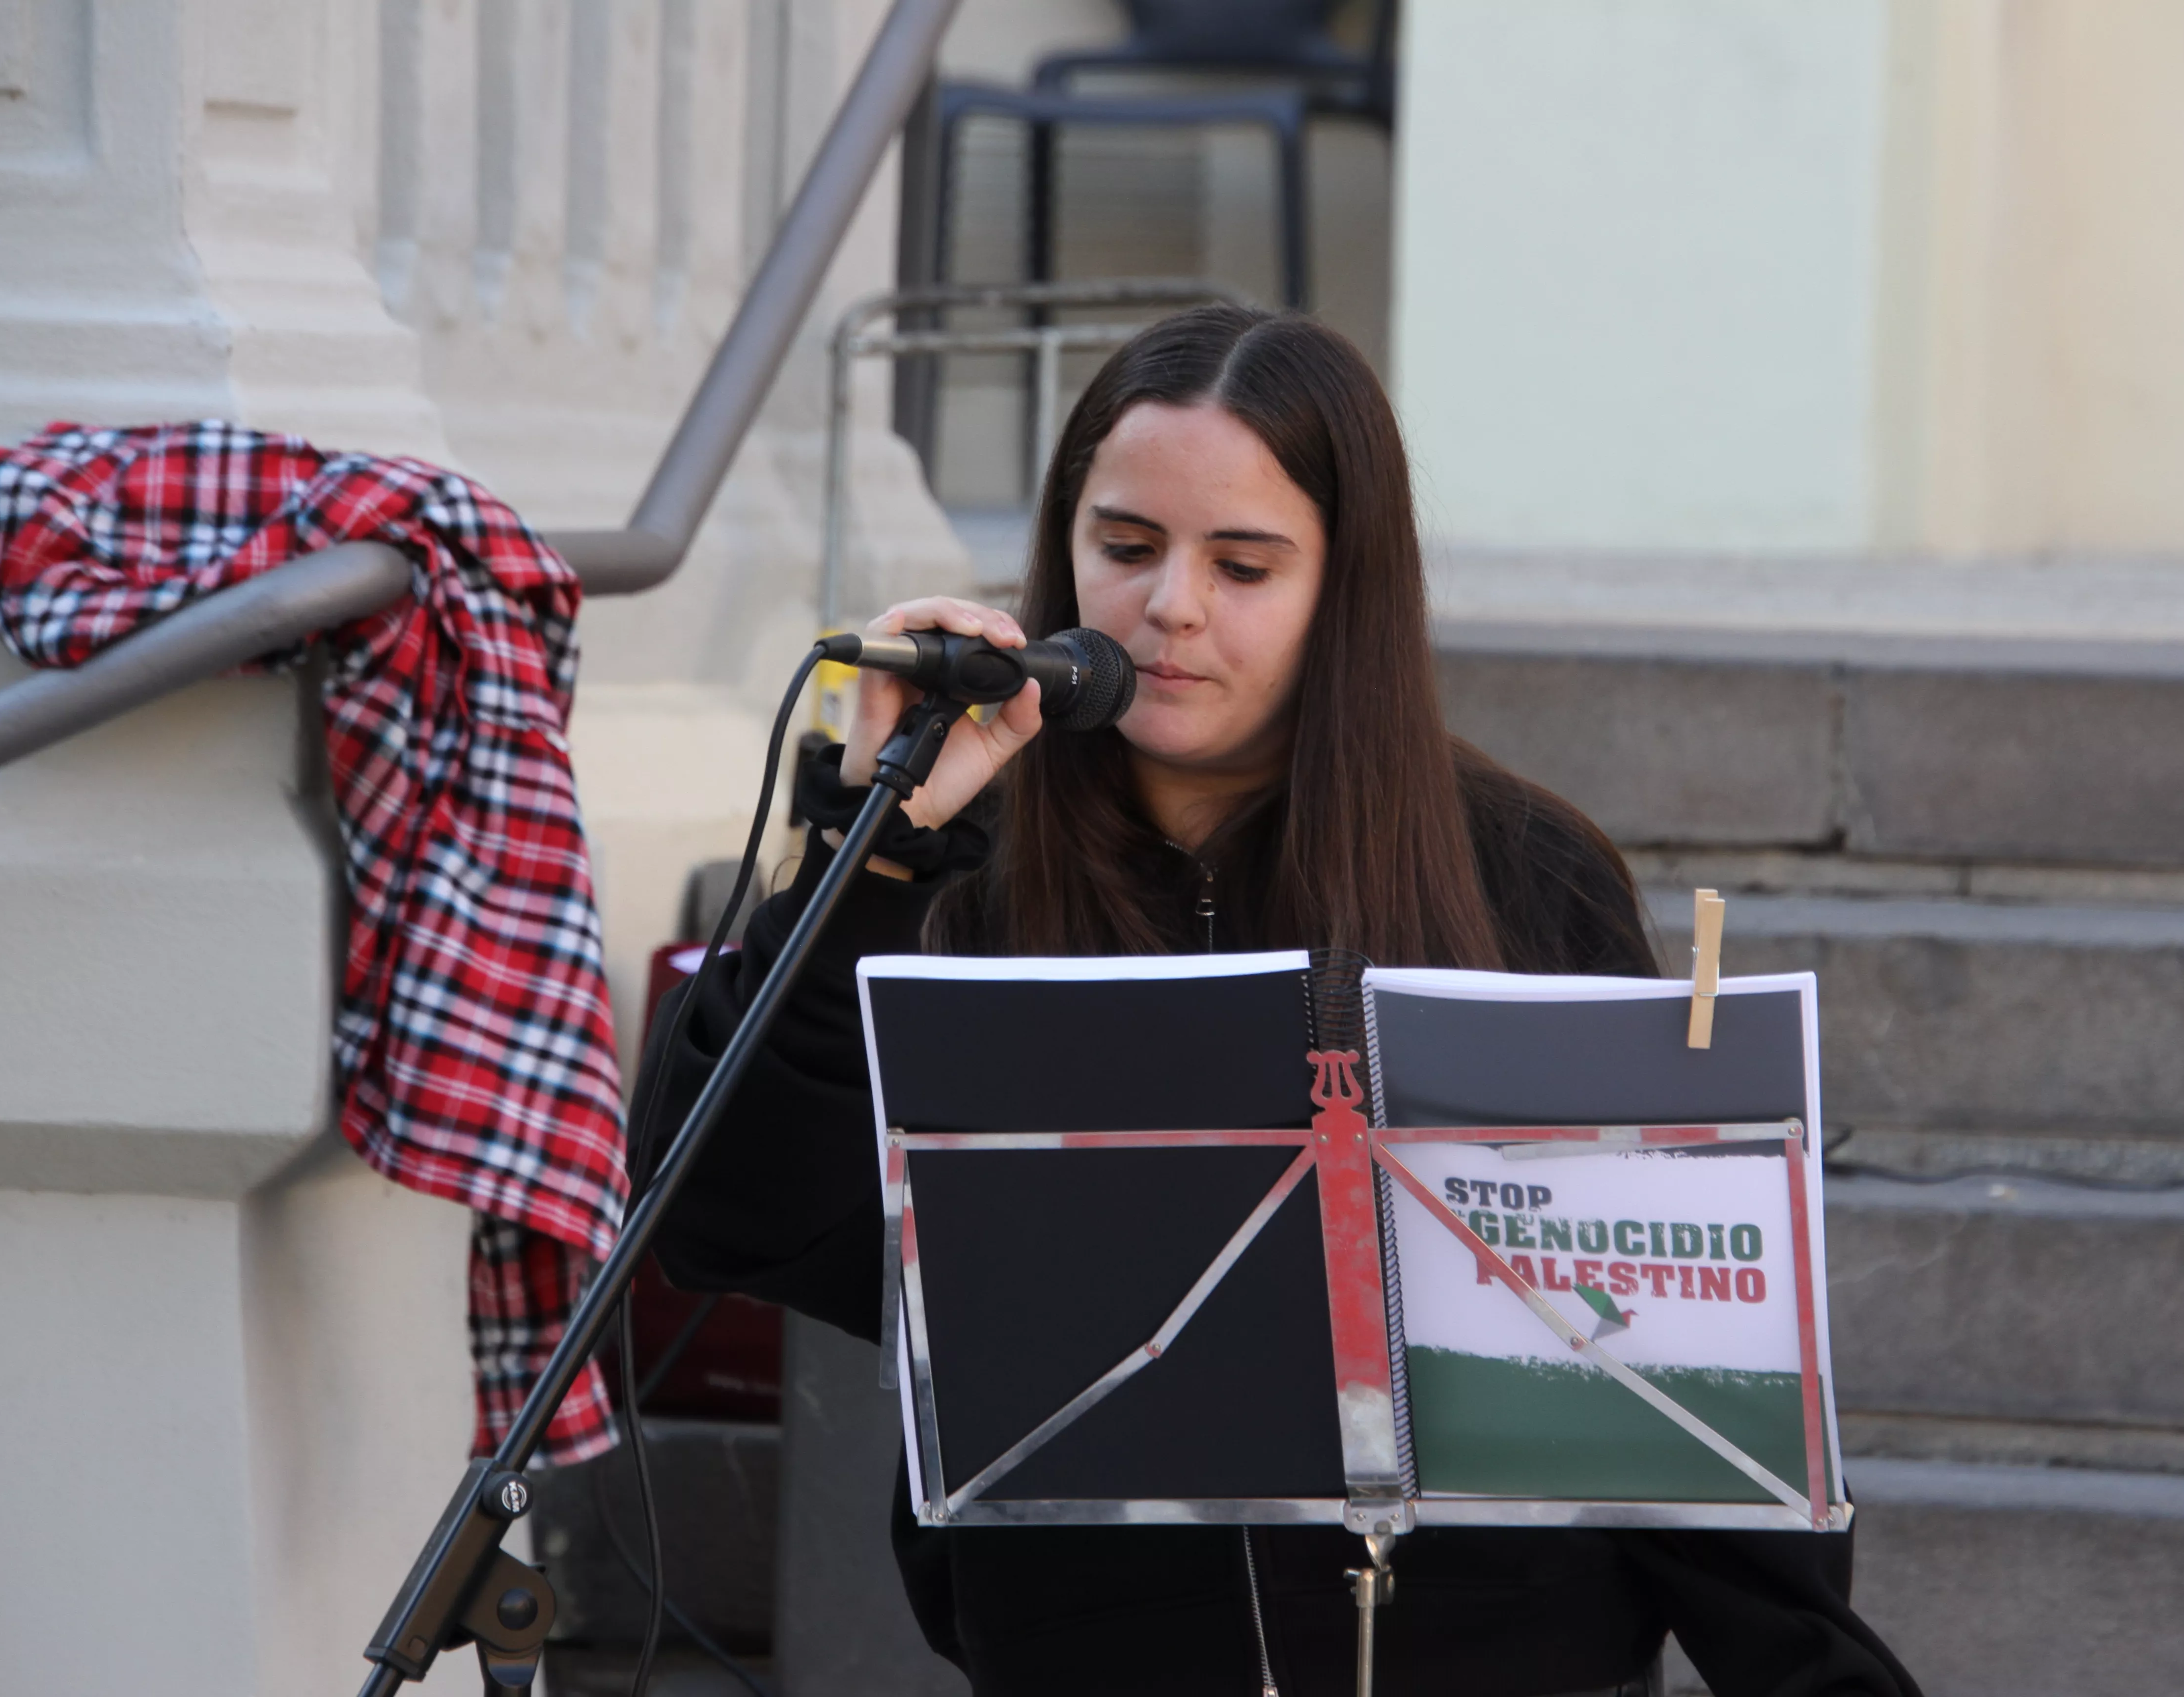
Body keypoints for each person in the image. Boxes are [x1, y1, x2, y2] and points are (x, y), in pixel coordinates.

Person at [634, 304, 1918, 1697]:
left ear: (1345, 587)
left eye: (1243, 564)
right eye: (1123, 548)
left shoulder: (1527, 875)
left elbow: (1661, 1347)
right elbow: (715, 1218)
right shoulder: (955, 873)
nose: (1170, 606)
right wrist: (872, 862)